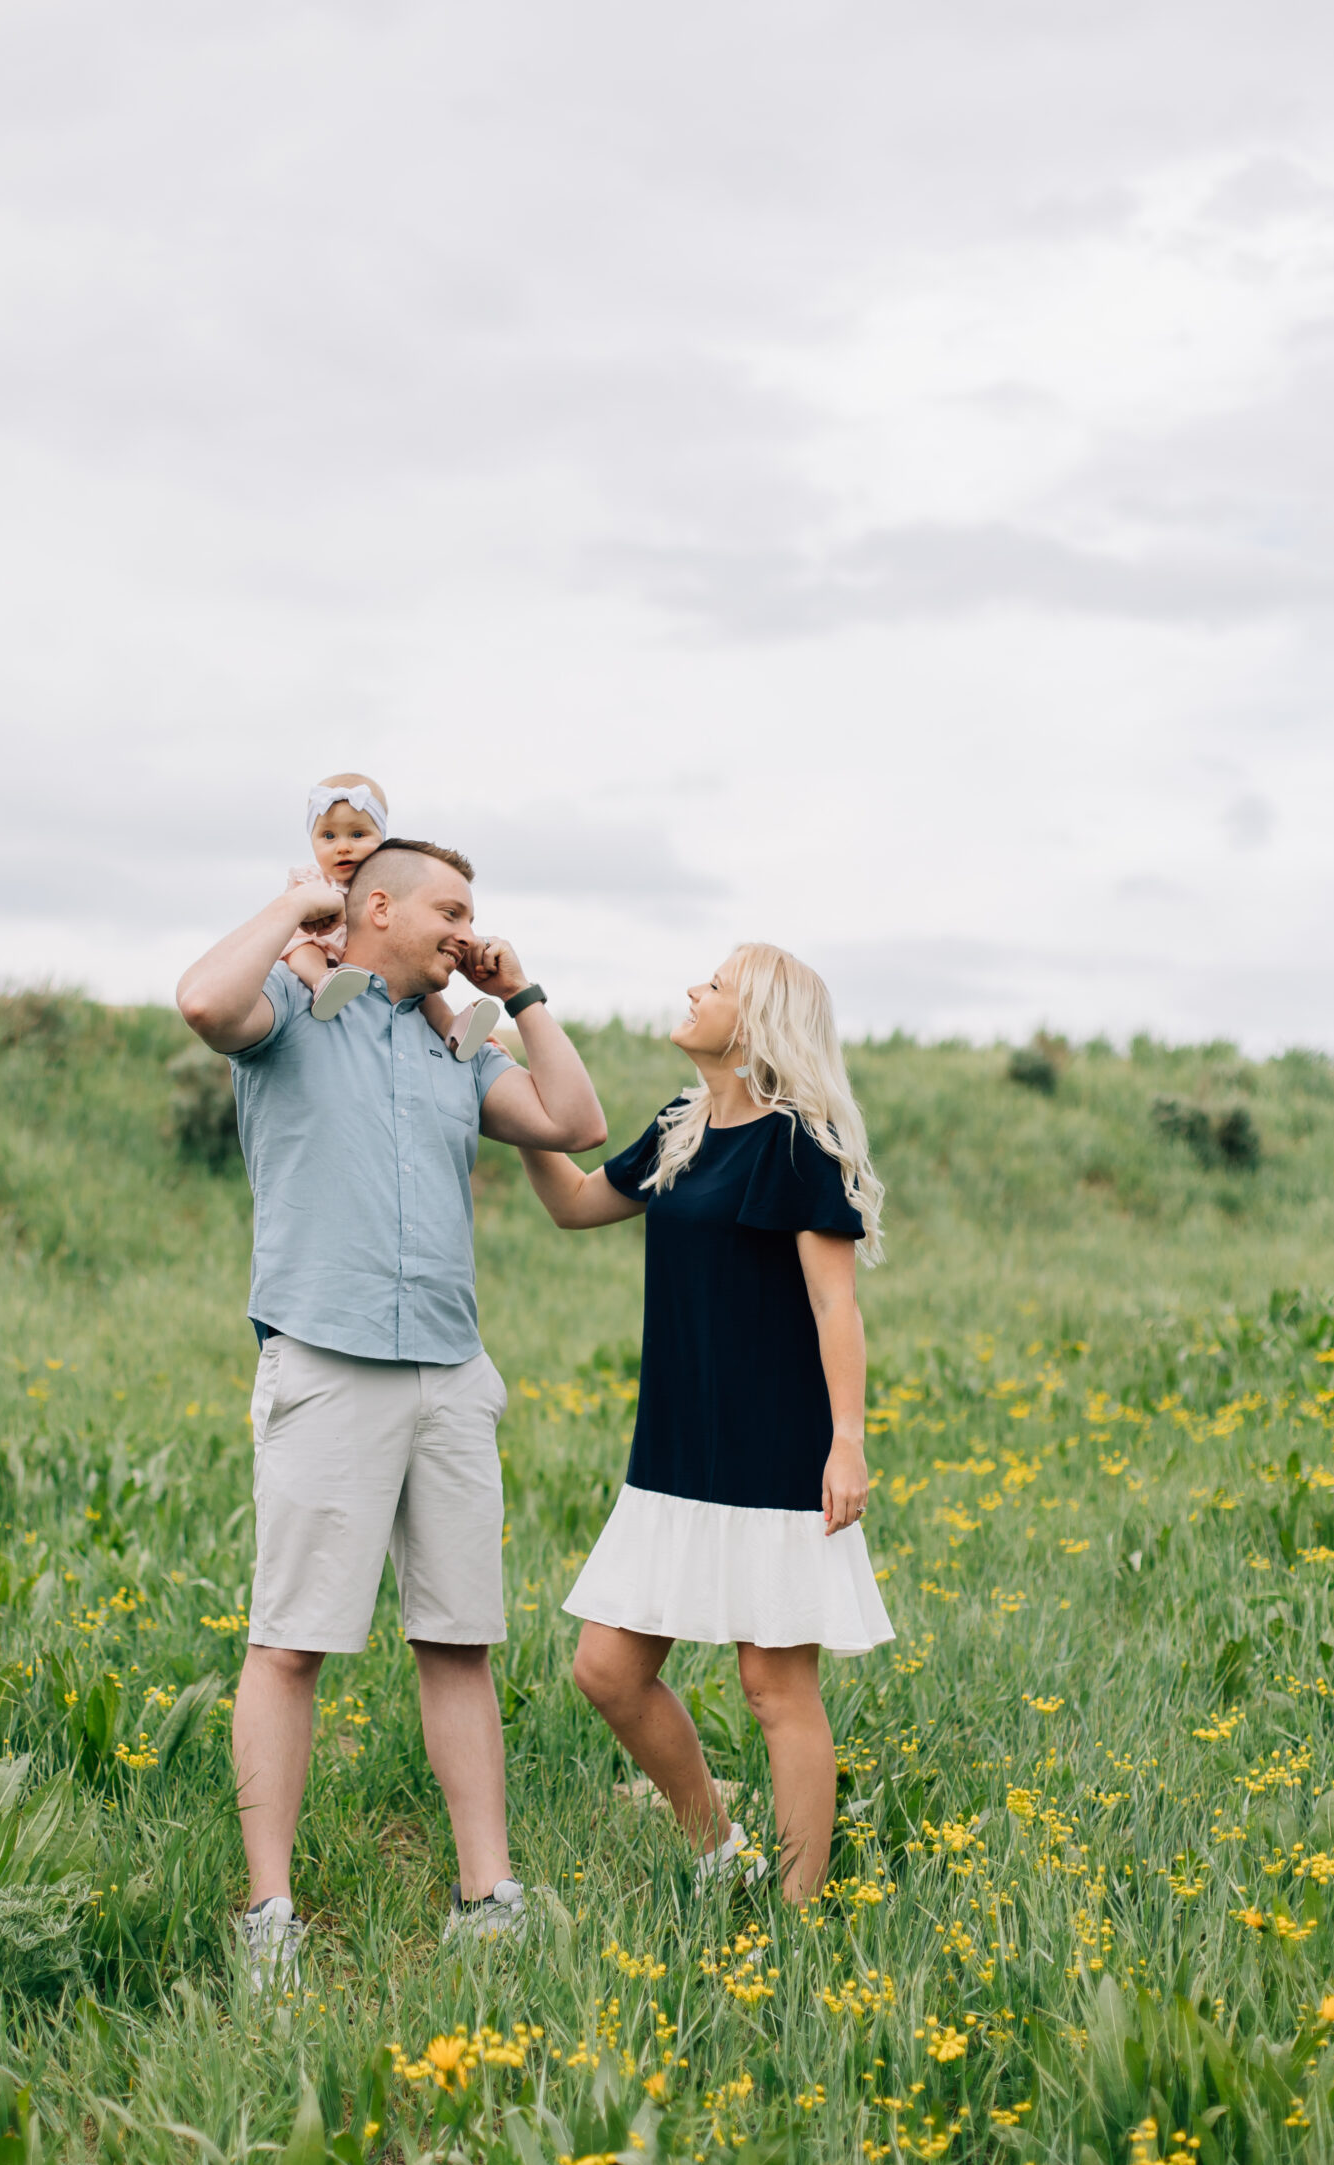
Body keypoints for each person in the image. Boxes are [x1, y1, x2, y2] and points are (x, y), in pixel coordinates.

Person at [176, 836, 607, 1988]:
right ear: (375, 907)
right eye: (451, 906)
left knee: (457, 1636)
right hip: (329, 1362)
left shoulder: (456, 1045)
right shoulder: (289, 1011)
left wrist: (518, 993)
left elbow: (575, 1123)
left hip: (450, 1374)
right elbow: (198, 999)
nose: (467, 924)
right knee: (292, 1642)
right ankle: (268, 1912)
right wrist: (293, 905)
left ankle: (488, 1892)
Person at [518, 943, 893, 1904]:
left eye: (716, 985)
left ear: (757, 1019)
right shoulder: (682, 1129)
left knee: (775, 1689)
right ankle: (723, 1849)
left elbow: (833, 1306)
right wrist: (511, 1093)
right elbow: (571, 1202)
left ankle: (802, 1917)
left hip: (773, 1453)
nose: (694, 990)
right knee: (606, 1671)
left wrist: (846, 1440)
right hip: (674, 1455)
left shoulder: (797, 1142)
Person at [280, 772, 502, 1062]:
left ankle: (453, 1028)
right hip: (323, 947)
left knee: (420, 980)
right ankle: (322, 983)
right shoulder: (312, 880)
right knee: (303, 947)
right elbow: (294, 918)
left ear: (381, 838)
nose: (343, 846)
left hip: (369, 965)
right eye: (328, 836)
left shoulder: (389, 881)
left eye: (357, 835)